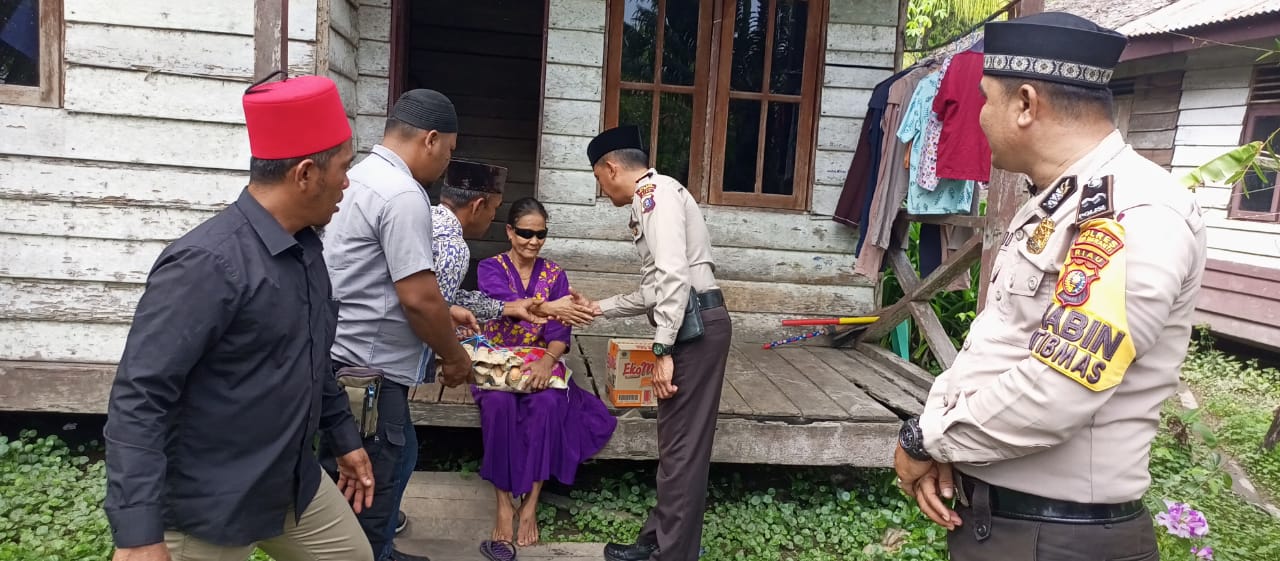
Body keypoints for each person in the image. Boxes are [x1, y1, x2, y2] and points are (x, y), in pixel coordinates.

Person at [892, 12, 1208, 561]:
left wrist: (928, 440)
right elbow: (998, 345)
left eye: (987, 99)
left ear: (1025, 105)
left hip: (1059, 541)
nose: (980, 115)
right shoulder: (1060, 201)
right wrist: (935, 427)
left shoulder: (1133, 213)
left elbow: (1061, 388)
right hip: (1013, 528)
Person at [103, 74, 374, 561]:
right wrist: (138, 534)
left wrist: (345, 440)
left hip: (289, 482)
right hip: (209, 505)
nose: (347, 182)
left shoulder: (306, 250)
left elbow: (313, 361)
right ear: (306, 174)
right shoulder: (207, 264)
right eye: (344, 167)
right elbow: (140, 397)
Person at [321, 89, 512, 561]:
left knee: (381, 465)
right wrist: (454, 357)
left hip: (339, 356)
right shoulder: (405, 194)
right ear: (430, 140)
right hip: (369, 372)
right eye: (448, 151)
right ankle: (370, 552)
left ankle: (380, 550)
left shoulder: (357, 178)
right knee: (370, 482)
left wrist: (448, 314)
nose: (447, 164)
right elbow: (420, 298)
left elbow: (380, 282)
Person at [570, 126, 732, 561]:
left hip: (694, 330)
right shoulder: (658, 193)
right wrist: (598, 307)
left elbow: (674, 277)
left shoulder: (652, 196)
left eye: (598, 180)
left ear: (611, 167)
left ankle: (670, 554)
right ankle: (656, 543)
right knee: (676, 445)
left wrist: (661, 349)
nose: (602, 191)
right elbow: (656, 288)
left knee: (681, 450)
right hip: (693, 323)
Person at [472, 197, 618, 549]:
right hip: (499, 364)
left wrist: (546, 361)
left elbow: (559, 331)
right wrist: (547, 308)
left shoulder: (555, 275)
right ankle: (504, 502)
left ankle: (531, 503)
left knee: (549, 405)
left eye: (541, 234)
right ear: (509, 231)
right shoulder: (490, 268)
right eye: (525, 233)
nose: (533, 241)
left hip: (540, 361)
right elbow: (503, 304)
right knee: (498, 407)